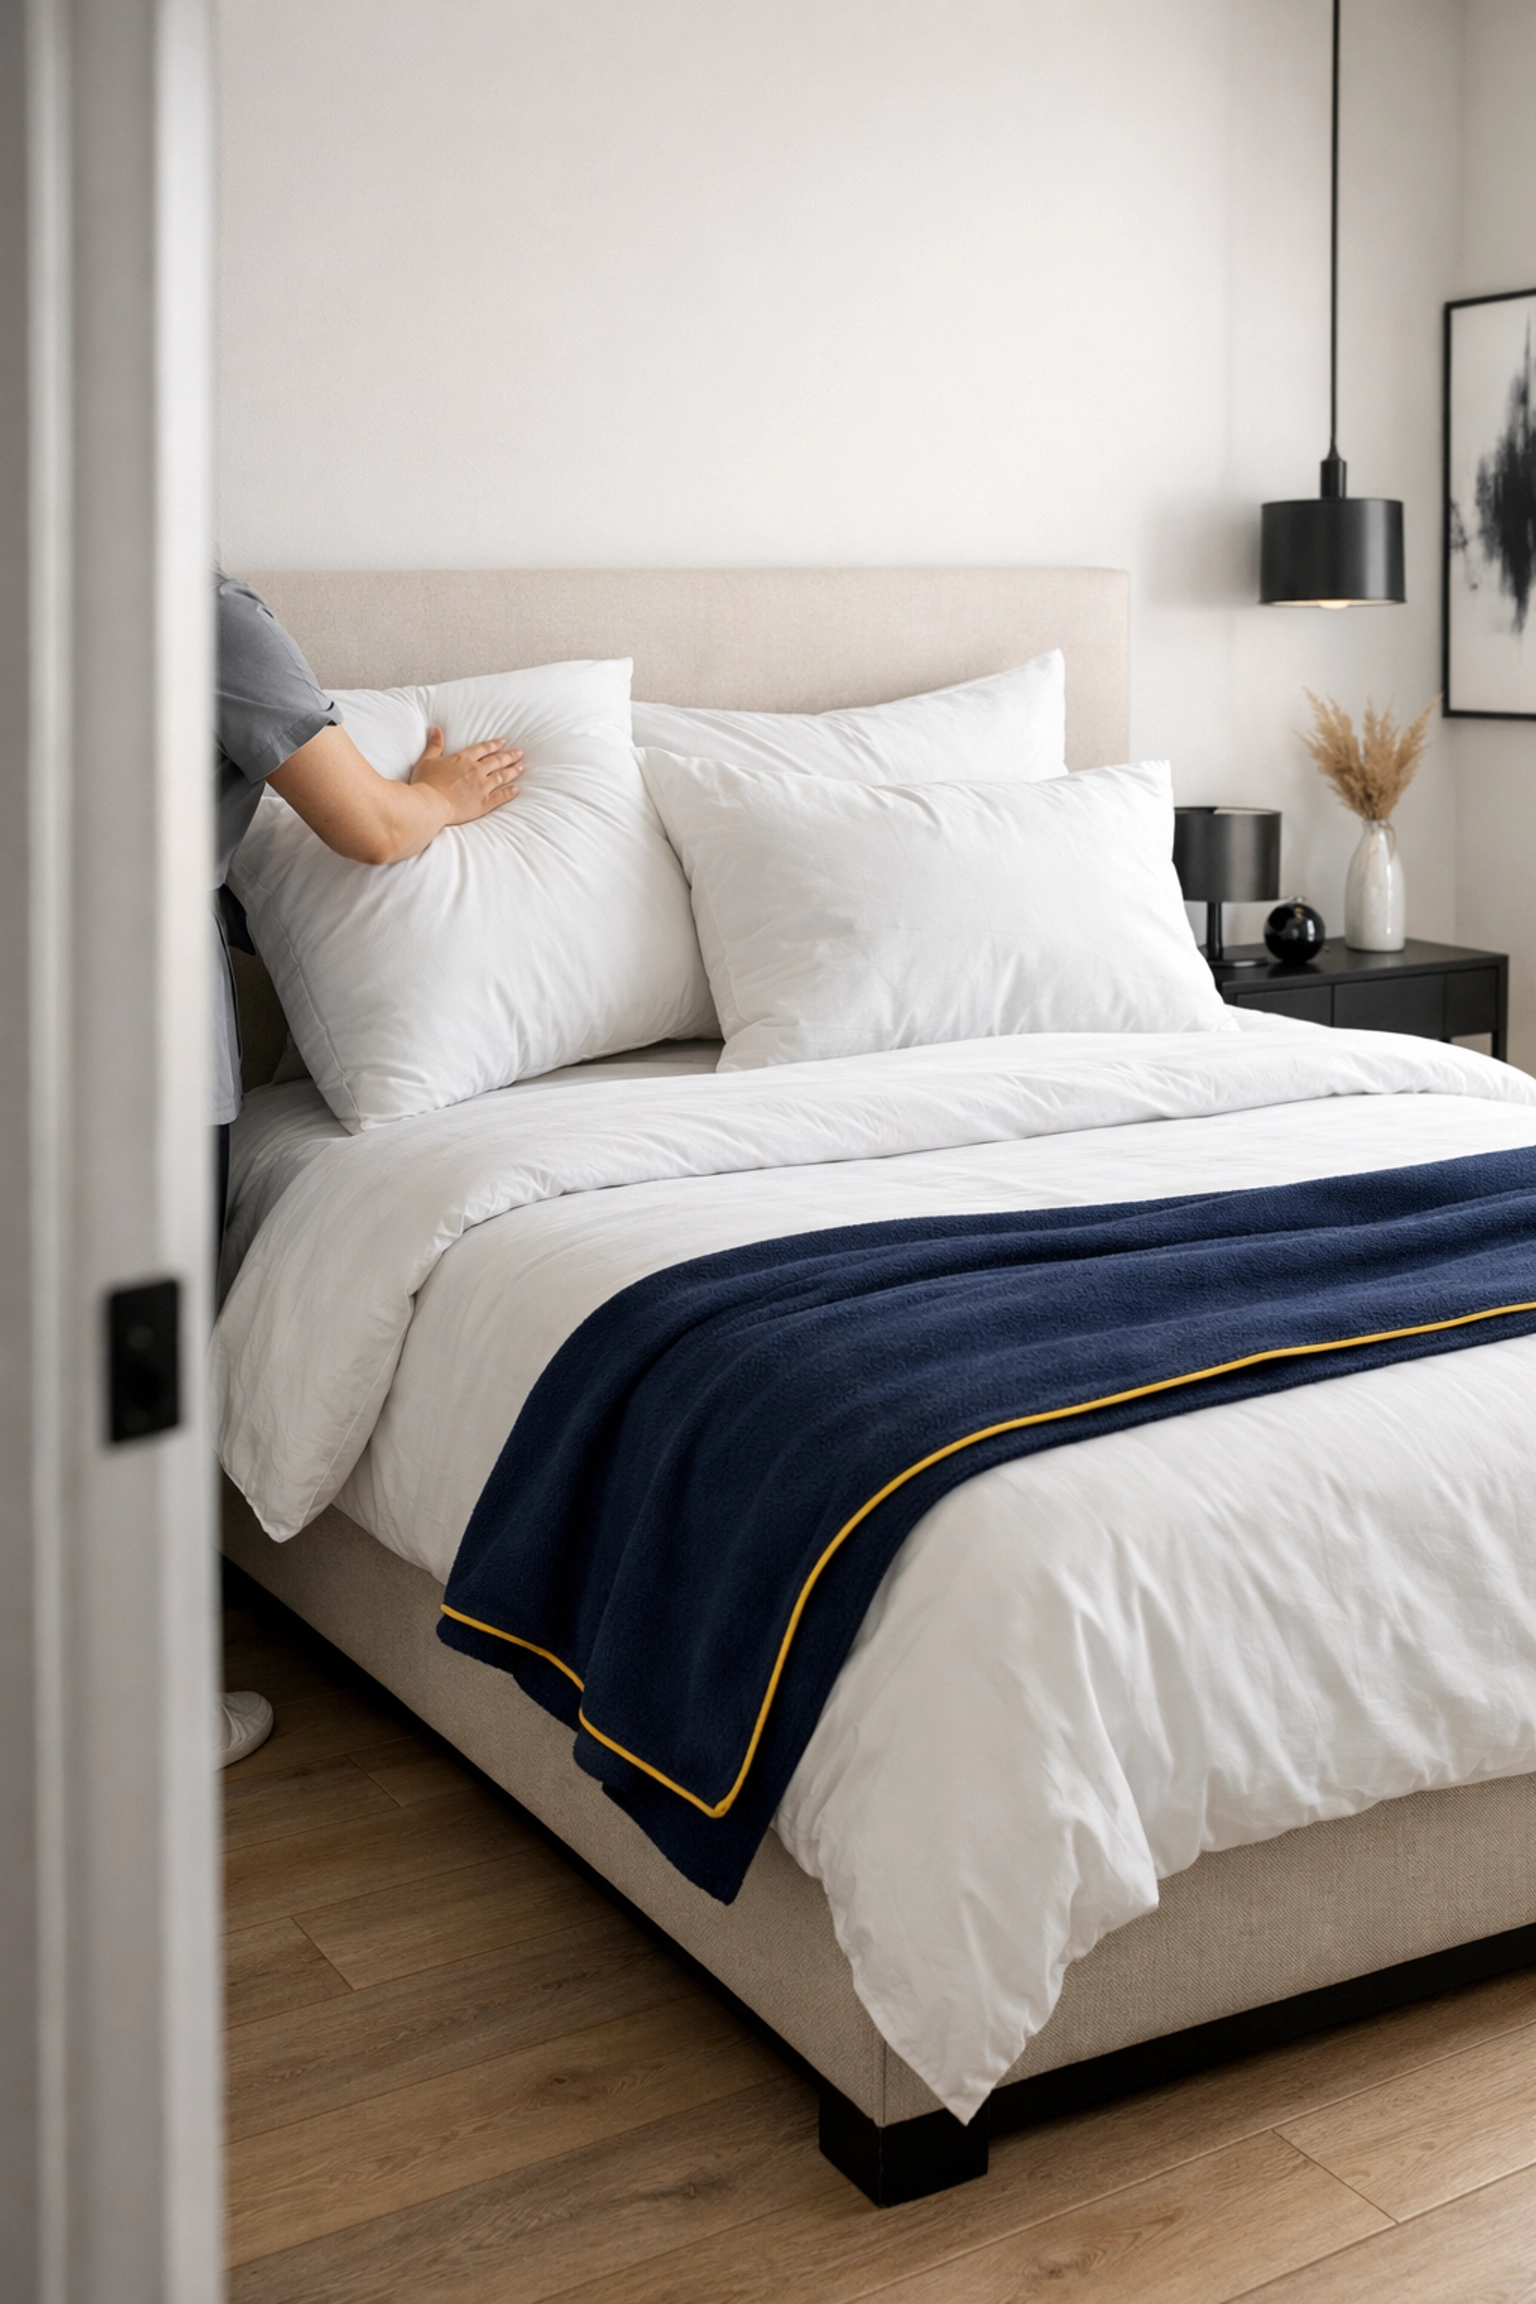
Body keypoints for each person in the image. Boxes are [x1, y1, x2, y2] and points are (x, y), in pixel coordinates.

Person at [213, 570, 523, 1762]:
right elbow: (369, 827)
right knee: (123, 1374)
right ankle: (128, 1708)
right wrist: (438, 793)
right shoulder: (209, 615)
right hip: (123, 1023)